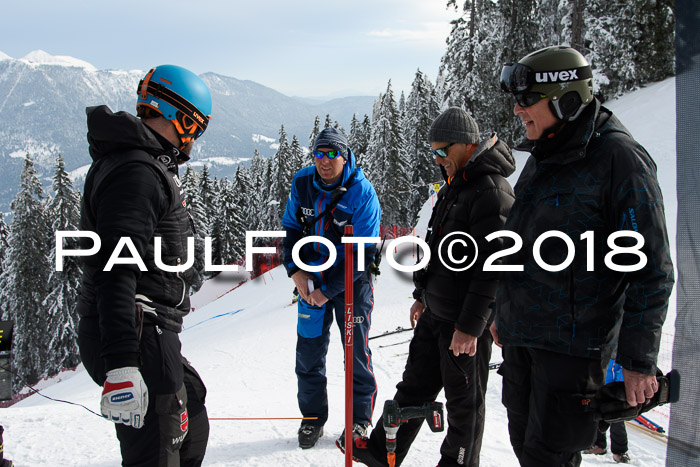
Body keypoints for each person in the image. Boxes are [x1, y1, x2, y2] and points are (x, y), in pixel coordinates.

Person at [494, 45, 674, 467]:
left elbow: (651, 269)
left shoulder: (618, 160)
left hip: (572, 350)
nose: (518, 111)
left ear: (566, 97)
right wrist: (504, 313)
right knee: (524, 445)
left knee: (549, 456)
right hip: (525, 340)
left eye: (526, 100)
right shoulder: (546, 152)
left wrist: (638, 360)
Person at [348, 108, 516, 467]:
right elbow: (438, 248)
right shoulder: (456, 185)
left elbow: (495, 270)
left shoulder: (491, 191)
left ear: (468, 145)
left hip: (463, 326)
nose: (438, 160)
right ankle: (381, 451)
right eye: (433, 152)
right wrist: (421, 296)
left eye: (443, 151)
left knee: (464, 409)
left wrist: (470, 328)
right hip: (435, 315)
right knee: (412, 389)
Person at [76, 64, 212, 466]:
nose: (194, 140)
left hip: (148, 331)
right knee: (158, 450)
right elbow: (116, 267)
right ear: (180, 118)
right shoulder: (138, 172)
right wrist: (122, 364)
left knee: (191, 425)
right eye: (197, 129)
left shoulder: (143, 164)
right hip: (136, 334)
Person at [281, 127, 381, 449]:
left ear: (344, 155)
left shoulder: (362, 193)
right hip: (311, 280)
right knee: (308, 352)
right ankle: (312, 418)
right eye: (319, 154)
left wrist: (328, 291)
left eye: (331, 154)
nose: (325, 161)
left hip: (352, 282)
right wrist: (295, 270)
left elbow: (362, 255)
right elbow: (292, 228)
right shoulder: (302, 183)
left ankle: (359, 422)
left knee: (355, 353)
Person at [584, 360, 631, 464]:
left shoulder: (618, 348)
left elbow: (623, 368)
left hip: (614, 388)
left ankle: (620, 451)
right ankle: (599, 445)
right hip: (600, 384)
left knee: (617, 418)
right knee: (598, 415)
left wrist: (619, 384)